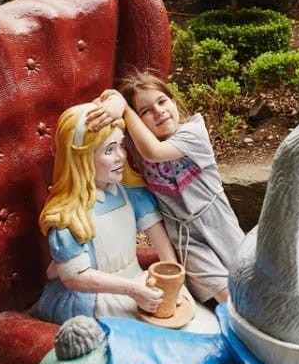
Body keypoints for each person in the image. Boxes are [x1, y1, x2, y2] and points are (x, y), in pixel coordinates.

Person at [34, 103, 216, 332]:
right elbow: (75, 279)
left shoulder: (131, 194)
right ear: (82, 157)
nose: (121, 156)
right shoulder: (68, 215)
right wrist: (132, 290)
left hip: (137, 281)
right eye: (109, 150)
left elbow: (163, 247)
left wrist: (175, 283)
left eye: (121, 145)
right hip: (95, 297)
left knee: (204, 324)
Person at [92, 72, 245, 307]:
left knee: (245, 275)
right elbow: (109, 121)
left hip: (216, 223)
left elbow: (154, 152)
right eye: (146, 111)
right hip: (185, 237)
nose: (159, 111)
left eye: (162, 101)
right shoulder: (138, 143)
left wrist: (125, 108)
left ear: (173, 101)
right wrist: (112, 104)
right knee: (224, 295)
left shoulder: (193, 132)